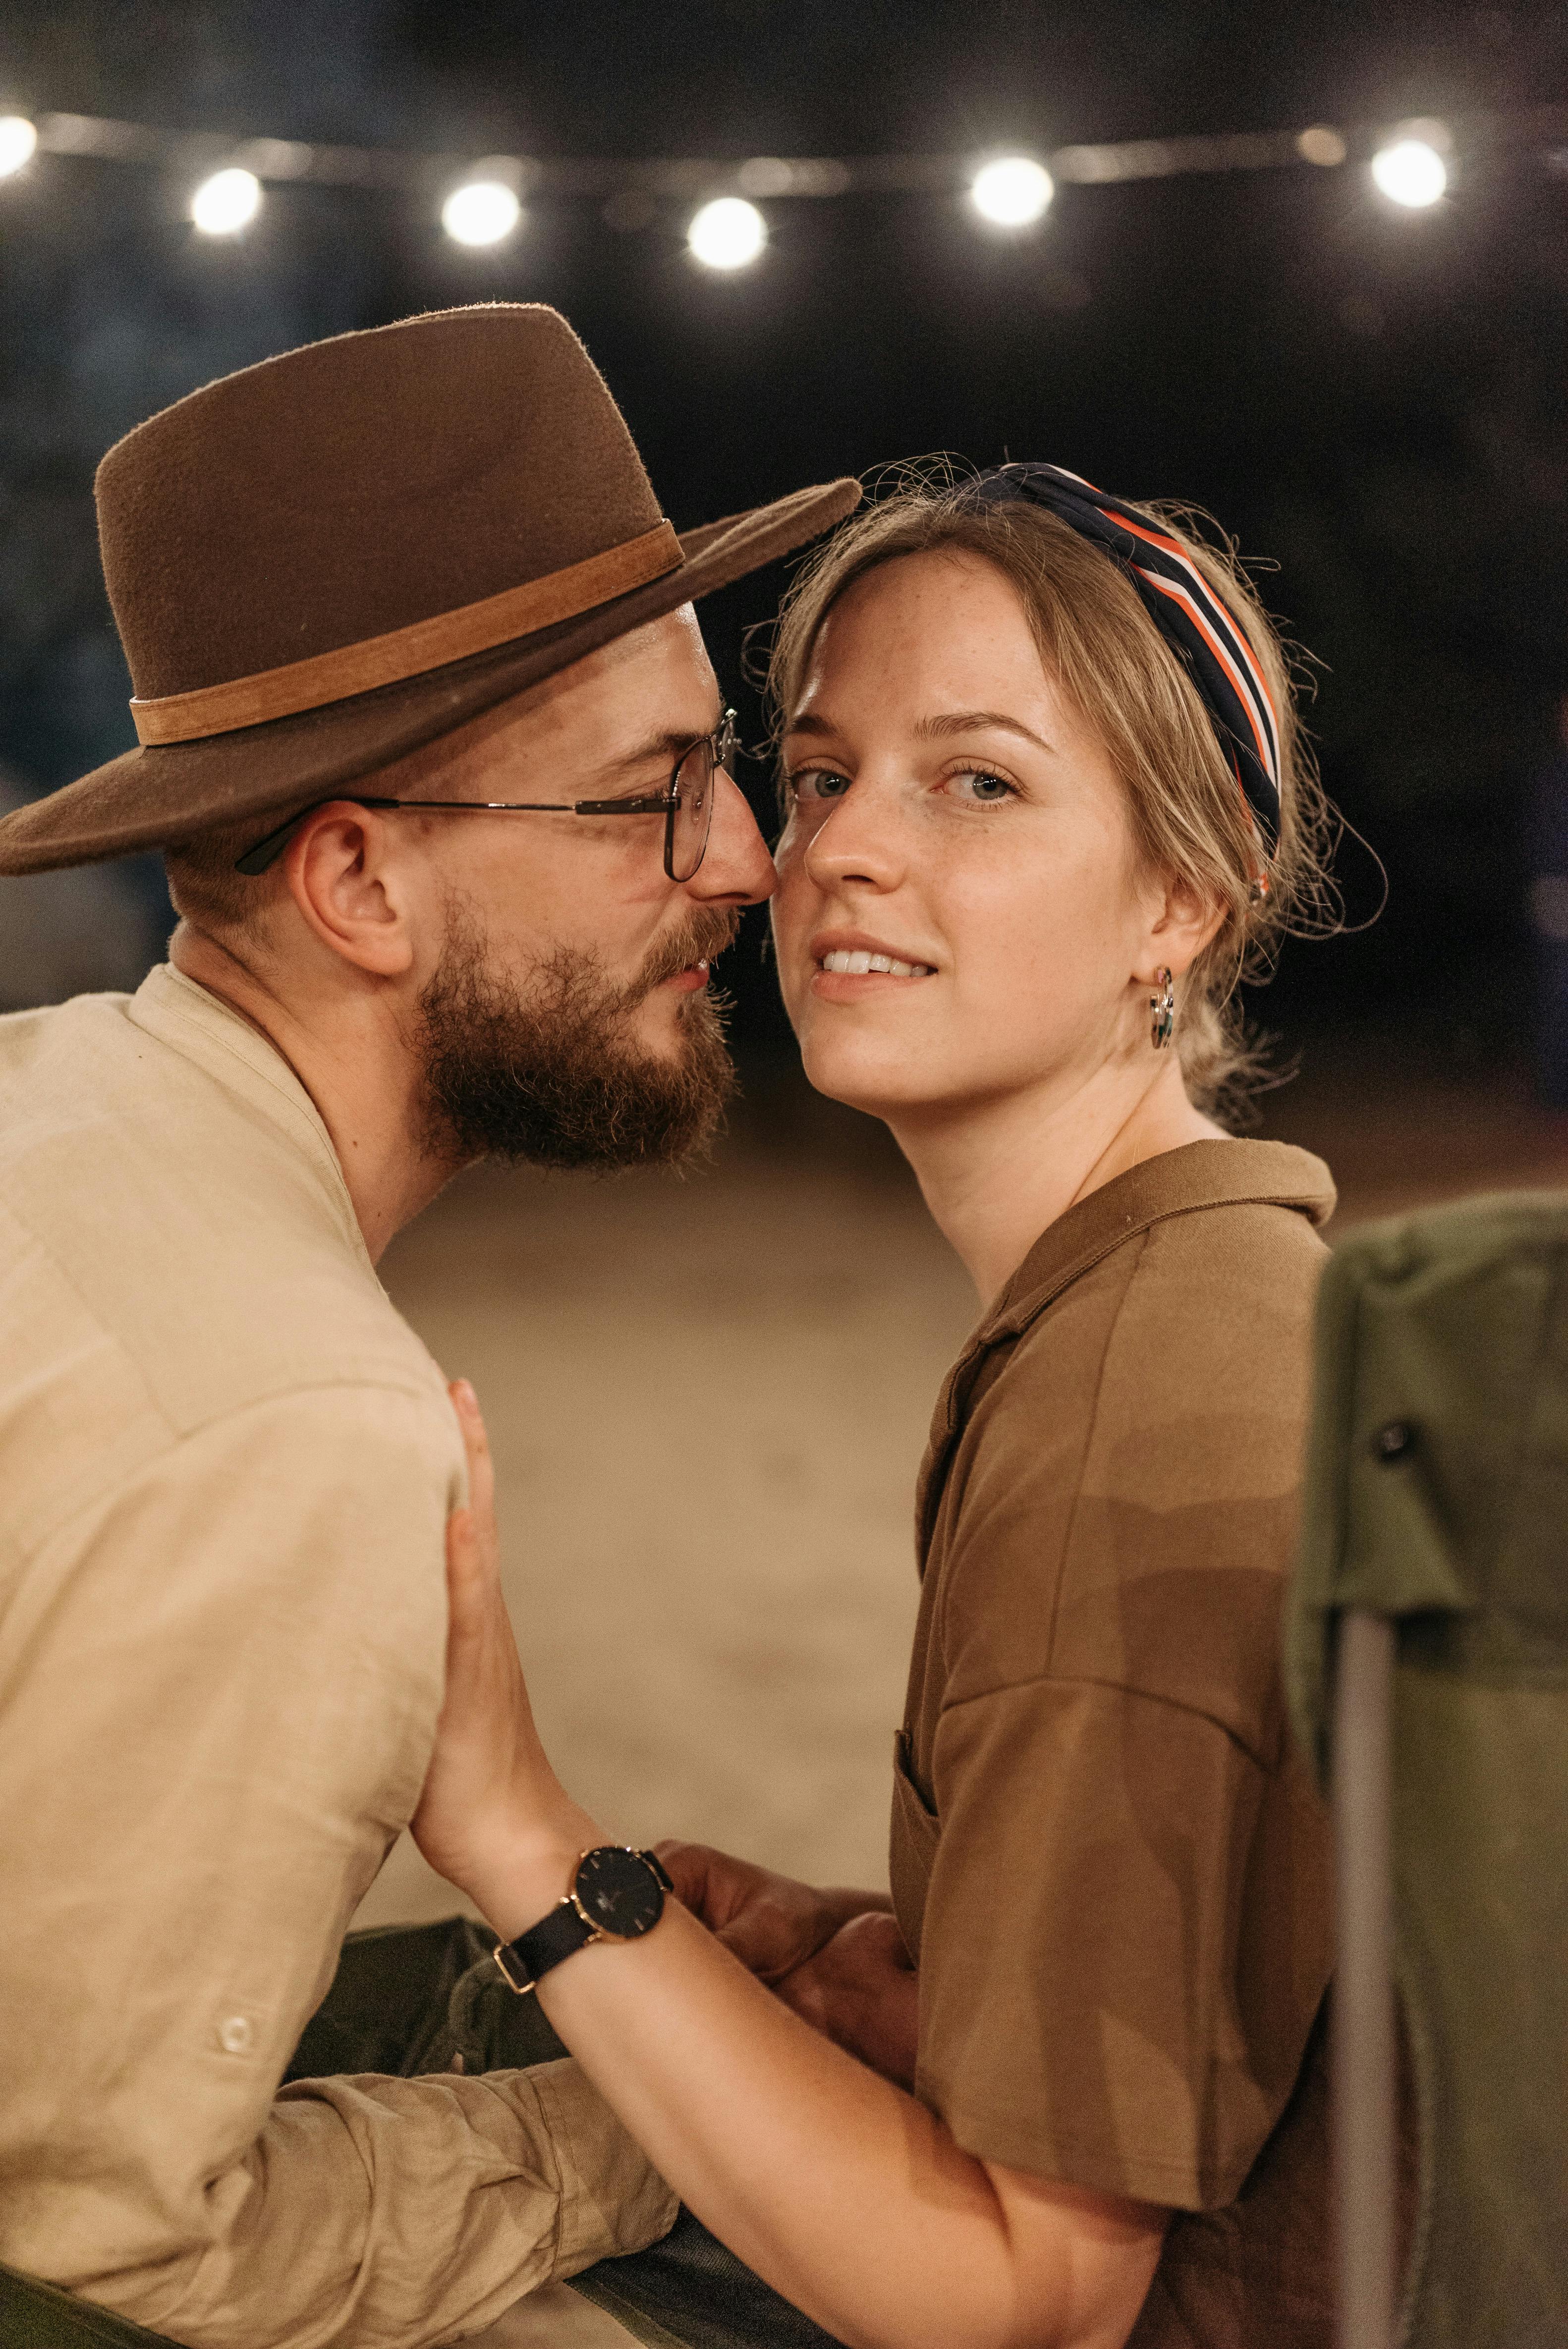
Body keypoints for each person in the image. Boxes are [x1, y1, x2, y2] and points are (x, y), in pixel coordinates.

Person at [412, 466, 1354, 2349]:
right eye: (825, 770)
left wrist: (526, 1835)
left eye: (978, 781)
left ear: (1180, 896)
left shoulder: (1139, 1410)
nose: (835, 849)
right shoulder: (1206, 1292)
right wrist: (875, 1945)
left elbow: (1028, 2296)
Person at [0, 303, 858, 2346]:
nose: (743, 860)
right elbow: (99, 2248)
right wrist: (656, 2136)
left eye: (722, 769)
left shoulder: (45, 1091)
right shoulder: (297, 1423)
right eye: (649, 795)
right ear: (362, 889)